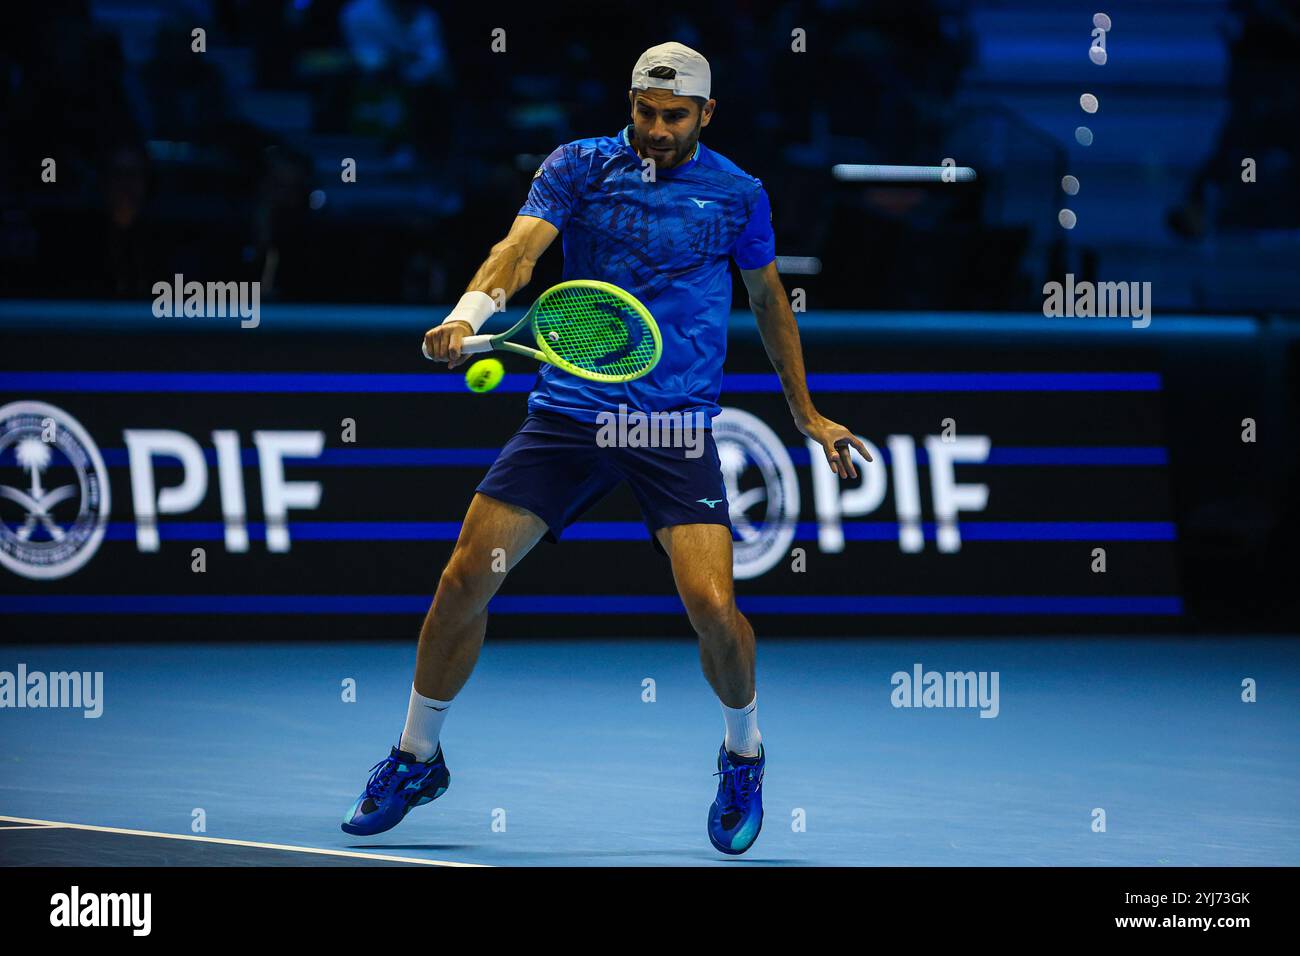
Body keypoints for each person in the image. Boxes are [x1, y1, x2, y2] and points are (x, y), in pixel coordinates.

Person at [341, 41, 870, 855]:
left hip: (672, 426)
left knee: (712, 608)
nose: (656, 129)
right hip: (570, 413)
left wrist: (806, 414)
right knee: (461, 579)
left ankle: (743, 754)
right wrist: (469, 314)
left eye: (674, 116)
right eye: (645, 112)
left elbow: (769, 303)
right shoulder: (578, 166)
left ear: (706, 114)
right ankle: (416, 756)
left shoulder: (737, 194)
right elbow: (521, 249)